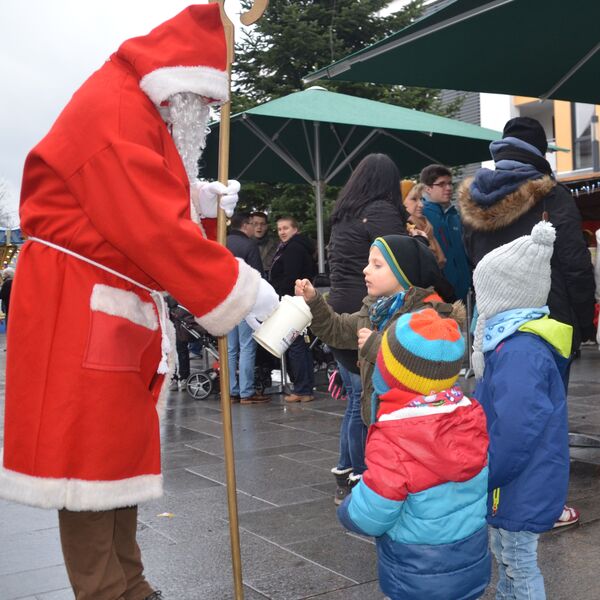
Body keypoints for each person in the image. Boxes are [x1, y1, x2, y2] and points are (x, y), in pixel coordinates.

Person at [0, 6, 279, 600]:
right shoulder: (118, 107)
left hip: (103, 295)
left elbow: (150, 195)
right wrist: (239, 285)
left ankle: (130, 582)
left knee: (115, 452)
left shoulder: (136, 104)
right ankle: (106, 590)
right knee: (87, 461)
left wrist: (196, 199)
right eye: (202, 105)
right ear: (180, 85)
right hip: (75, 302)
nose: (203, 117)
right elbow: (148, 224)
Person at [295, 234, 465, 498]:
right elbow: (337, 329)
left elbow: (427, 365)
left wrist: (378, 346)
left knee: (411, 490)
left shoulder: (428, 314)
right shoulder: (374, 309)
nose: (366, 270)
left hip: (414, 427)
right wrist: (315, 300)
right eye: (368, 263)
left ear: (402, 272)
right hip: (379, 421)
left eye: (377, 265)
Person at [337, 309, 490, 600]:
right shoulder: (471, 417)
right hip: (470, 560)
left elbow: (375, 511)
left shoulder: (395, 435)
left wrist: (348, 511)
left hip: (416, 571)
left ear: (392, 374)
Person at [472, 221, 570, 599]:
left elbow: (516, 428)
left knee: (518, 561)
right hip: (519, 481)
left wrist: (488, 472)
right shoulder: (511, 344)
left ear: (503, 294)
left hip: (516, 482)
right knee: (508, 555)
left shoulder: (519, 351)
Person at [459, 116, 596, 371]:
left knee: (498, 402)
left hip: (492, 325)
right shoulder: (553, 197)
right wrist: (585, 322)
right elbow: (576, 266)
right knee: (545, 404)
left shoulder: (474, 202)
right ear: (539, 153)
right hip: (548, 324)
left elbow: (472, 262)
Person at [326, 153, 409, 503]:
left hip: (338, 308)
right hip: (367, 311)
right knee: (365, 399)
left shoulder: (343, 215)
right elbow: (401, 260)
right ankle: (364, 478)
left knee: (354, 397)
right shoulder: (381, 212)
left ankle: (347, 469)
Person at [270, 216, 316, 402]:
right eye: (279, 228)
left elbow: (290, 276)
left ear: (295, 229)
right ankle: (304, 387)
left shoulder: (292, 249)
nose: (282, 232)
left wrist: (278, 293)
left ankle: (302, 389)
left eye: (286, 228)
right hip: (297, 300)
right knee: (300, 345)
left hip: (291, 301)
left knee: (295, 345)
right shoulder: (295, 247)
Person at [226, 213, 270, 404]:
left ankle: (231, 390)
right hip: (245, 301)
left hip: (226, 302)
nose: (255, 228)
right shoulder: (249, 245)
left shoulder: (222, 242)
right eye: (253, 224)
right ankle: (246, 391)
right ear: (245, 226)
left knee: (230, 349)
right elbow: (257, 277)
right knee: (246, 347)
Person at [420, 164, 472, 301]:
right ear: (428, 188)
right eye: (442, 184)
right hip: (439, 295)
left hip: (465, 292)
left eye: (450, 184)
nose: (448, 188)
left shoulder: (455, 216)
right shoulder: (422, 217)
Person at [401, 180, 446, 268]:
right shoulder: (402, 229)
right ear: (401, 201)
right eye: (414, 199)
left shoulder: (425, 224)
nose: (421, 204)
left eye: (421, 199)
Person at [166, 295, 202, 392]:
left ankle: (177, 378)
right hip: (178, 319)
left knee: (175, 350)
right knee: (179, 350)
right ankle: (181, 378)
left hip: (176, 319)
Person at [251, 211, 279, 276]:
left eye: (262, 224)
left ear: (266, 226)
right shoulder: (244, 244)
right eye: (255, 224)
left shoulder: (276, 244)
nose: (259, 227)